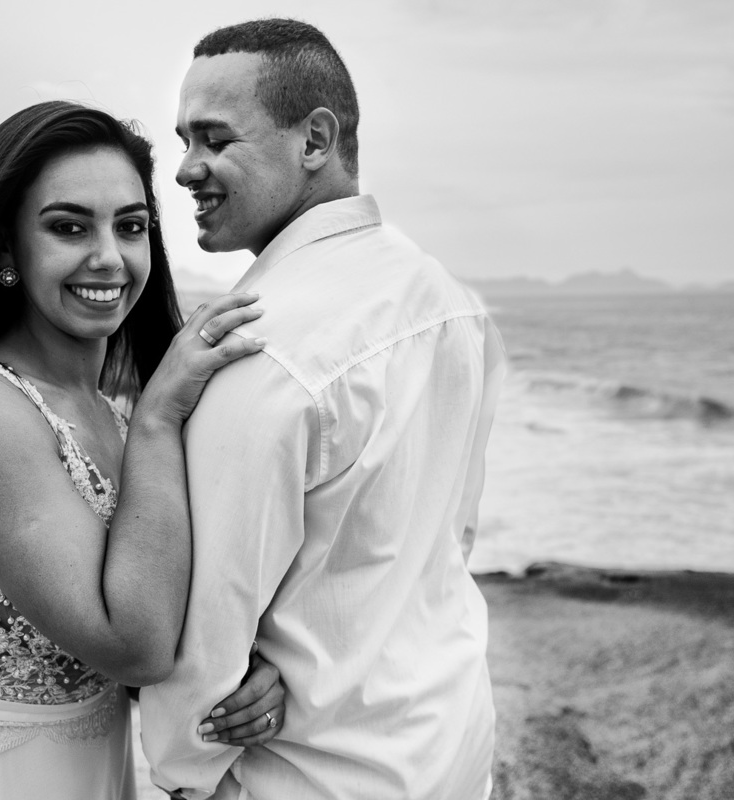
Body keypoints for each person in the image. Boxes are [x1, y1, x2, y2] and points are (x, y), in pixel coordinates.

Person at [0, 101, 285, 799]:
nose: (108, 257)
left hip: (86, 771)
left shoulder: (108, 416)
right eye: (69, 227)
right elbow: (133, 647)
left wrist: (238, 674)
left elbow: (150, 619)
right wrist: (161, 416)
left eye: (130, 226)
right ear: (3, 248)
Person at [140, 18, 505, 800]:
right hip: (449, 740)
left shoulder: (254, 347)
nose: (186, 169)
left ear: (315, 140)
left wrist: (183, 776)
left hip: (310, 772)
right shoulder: (452, 303)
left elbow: (211, 623)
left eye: (215, 139)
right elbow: (450, 538)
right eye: (184, 142)